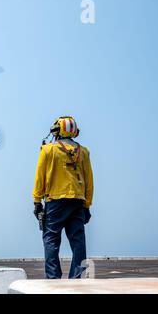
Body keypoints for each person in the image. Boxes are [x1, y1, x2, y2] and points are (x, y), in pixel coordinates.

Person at [33, 116, 94, 279]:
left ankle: (53, 278)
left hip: (55, 202)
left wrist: (37, 201)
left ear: (57, 130)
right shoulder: (84, 152)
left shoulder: (47, 150)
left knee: (51, 240)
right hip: (77, 202)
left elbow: (40, 177)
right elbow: (89, 181)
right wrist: (87, 206)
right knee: (78, 242)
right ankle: (77, 278)